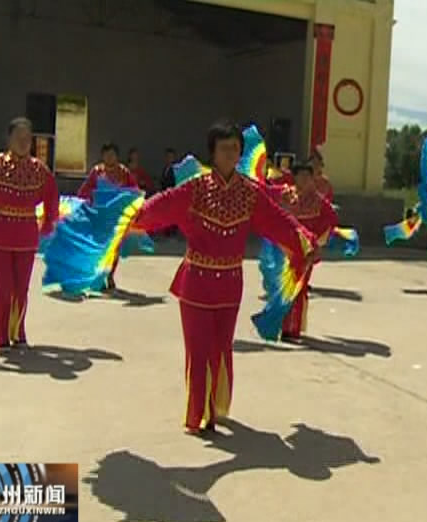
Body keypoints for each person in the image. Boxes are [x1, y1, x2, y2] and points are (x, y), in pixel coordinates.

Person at [132, 120, 317, 435]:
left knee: (221, 348)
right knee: (198, 349)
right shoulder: (195, 189)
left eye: (235, 148)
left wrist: (302, 241)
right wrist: (126, 218)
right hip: (196, 283)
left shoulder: (250, 193)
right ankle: (198, 416)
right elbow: (159, 208)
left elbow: (278, 221)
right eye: (224, 148)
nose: (230, 153)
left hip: (230, 285)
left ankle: (215, 409)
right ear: (213, 153)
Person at [0, 117, 59, 351]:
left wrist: (49, 221)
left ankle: (19, 331)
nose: (24, 143)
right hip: (0, 233)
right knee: (4, 286)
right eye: (19, 138)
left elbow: (52, 195)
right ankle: (1, 334)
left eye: (28, 139)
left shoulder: (39, 169)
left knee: (22, 287)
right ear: (9, 139)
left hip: (26, 234)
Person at [270, 163, 338, 342]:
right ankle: (284, 325)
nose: (304, 181)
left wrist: (317, 244)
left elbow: (330, 221)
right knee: (283, 286)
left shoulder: (319, 201)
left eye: (307, 177)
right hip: (286, 249)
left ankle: (292, 329)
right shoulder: (286, 195)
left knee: (298, 287)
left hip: (306, 251)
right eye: (300, 176)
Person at [77, 142, 139, 291]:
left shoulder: (124, 172)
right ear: (102, 156)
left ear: (117, 156)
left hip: (116, 217)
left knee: (114, 249)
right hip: (99, 217)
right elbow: (84, 191)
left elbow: (134, 190)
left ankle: (110, 275)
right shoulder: (97, 172)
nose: (109, 157)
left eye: (112, 154)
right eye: (107, 154)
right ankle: (99, 277)